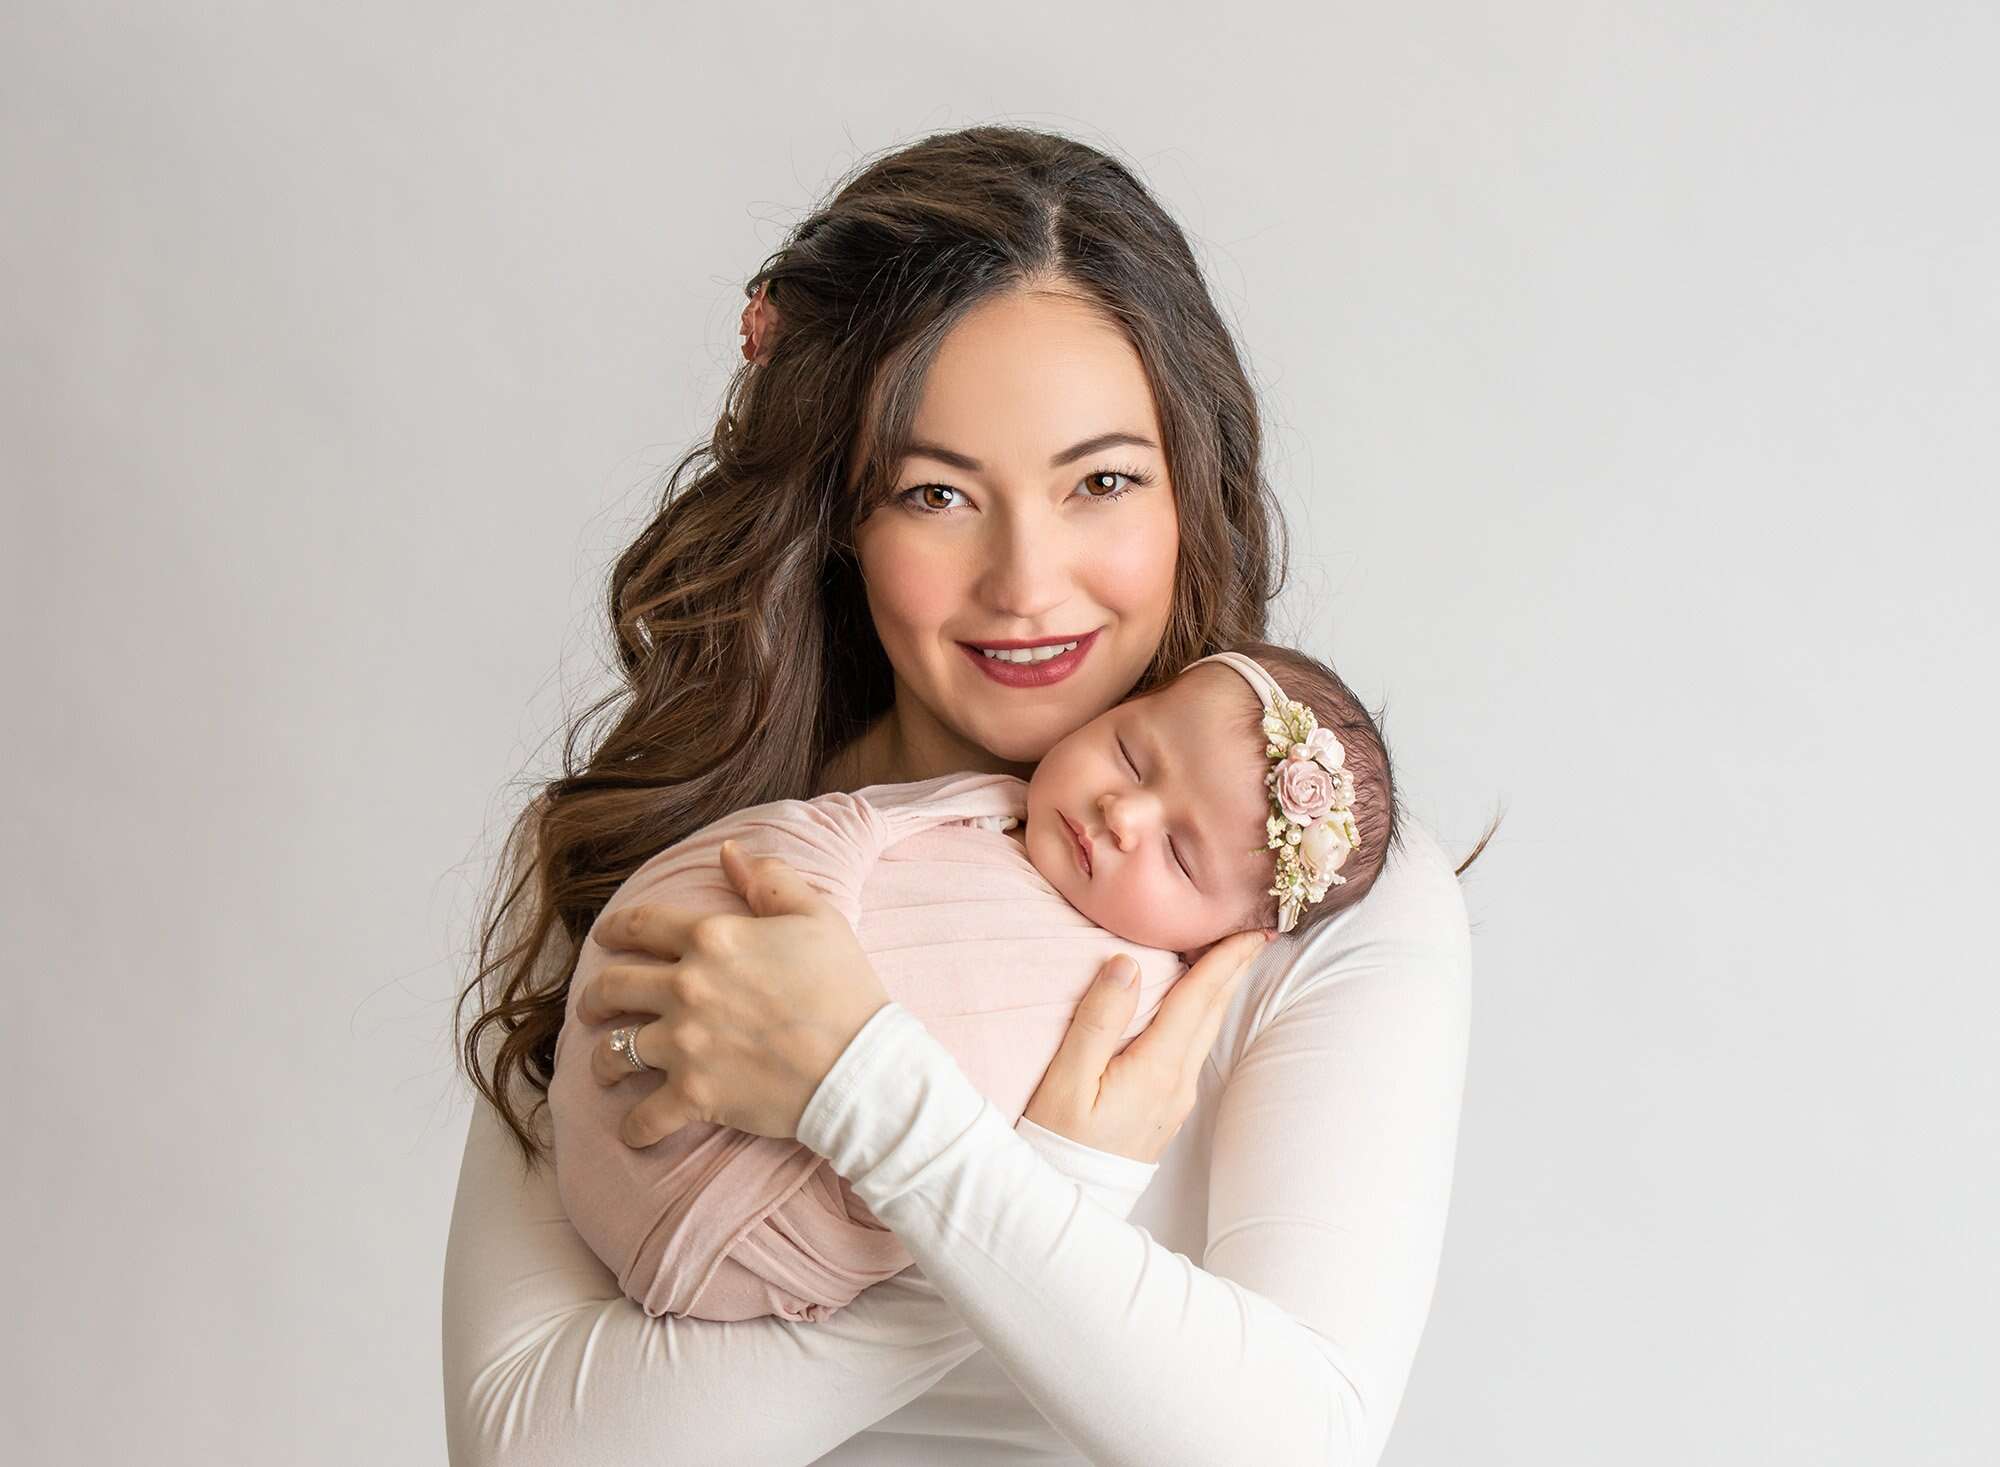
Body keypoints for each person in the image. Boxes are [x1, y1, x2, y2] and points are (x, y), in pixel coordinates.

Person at [443, 124, 1486, 1467]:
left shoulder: (1315, 878)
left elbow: (1290, 1441)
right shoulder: (658, 843)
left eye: (1102, 480)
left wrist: (867, 1091)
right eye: (936, 493)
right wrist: (1043, 1178)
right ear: (836, 516)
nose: (1026, 580)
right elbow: (530, 1447)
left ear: (1193, 487)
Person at [548, 643, 1391, 1324]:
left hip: (748, 1229)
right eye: (1132, 754)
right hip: (643, 1016)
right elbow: (842, 831)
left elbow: (982, 1162)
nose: (1122, 814)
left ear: (1228, 938)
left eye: (1178, 853)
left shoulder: (1132, 1014)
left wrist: (829, 1021)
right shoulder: (995, 804)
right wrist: (813, 912)